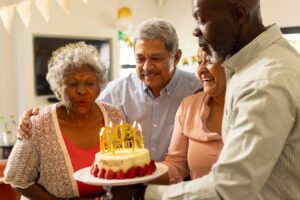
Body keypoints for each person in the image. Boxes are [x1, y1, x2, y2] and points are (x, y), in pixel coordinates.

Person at [122, 0, 300, 199]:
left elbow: (229, 188)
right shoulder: (255, 66)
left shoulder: (264, 81)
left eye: (202, 19)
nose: (195, 31)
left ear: (239, 15)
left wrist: (142, 194)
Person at [18, 18, 201, 162]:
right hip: (130, 187)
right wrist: (36, 117)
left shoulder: (196, 89)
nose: (147, 67)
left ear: (176, 57)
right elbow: (79, 107)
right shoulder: (116, 91)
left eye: (156, 58)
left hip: (179, 186)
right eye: (140, 59)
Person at [4, 42, 125, 199]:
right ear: (57, 89)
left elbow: (127, 171)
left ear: (99, 87)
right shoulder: (38, 125)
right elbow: (17, 178)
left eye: (89, 83)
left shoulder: (115, 116)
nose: (82, 91)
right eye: (73, 84)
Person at [153, 48, 225, 185]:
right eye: (199, 62)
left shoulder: (255, 108)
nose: (200, 70)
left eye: (209, 61)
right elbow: (176, 166)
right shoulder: (189, 106)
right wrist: (140, 173)